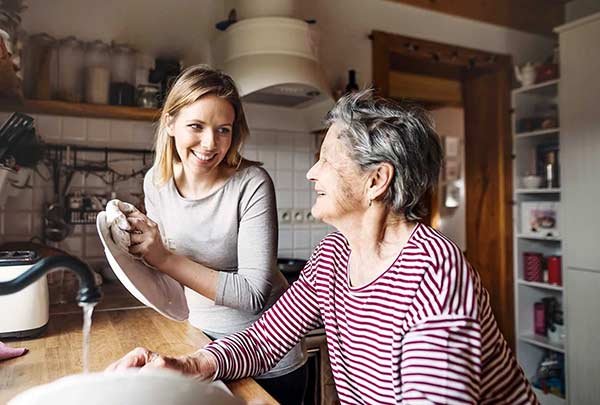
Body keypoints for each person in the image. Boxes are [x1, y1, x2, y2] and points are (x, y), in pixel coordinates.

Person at [108, 89, 539, 405]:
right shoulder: (334, 254)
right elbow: (266, 337)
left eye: (327, 160)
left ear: (377, 180)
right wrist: (190, 365)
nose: (312, 172)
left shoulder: (435, 272)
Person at [108, 65, 307, 404]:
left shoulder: (252, 184)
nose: (210, 143)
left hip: (266, 357)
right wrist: (133, 241)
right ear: (170, 123)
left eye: (223, 130)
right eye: (196, 126)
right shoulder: (157, 182)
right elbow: (166, 279)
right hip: (198, 344)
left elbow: (253, 295)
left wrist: (164, 257)